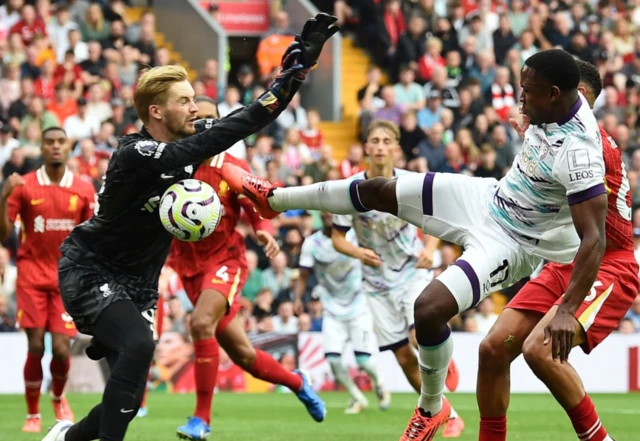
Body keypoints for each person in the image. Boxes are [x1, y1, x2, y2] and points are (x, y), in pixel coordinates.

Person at [221, 49, 609, 441]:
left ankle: (431, 407)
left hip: (514, 242)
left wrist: (567, 310)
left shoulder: (580, 153)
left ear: (555, 94)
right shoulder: (550, 107)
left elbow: (594, 238)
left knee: (428, 309)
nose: (520, 98)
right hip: (487, 198)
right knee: (378, 189)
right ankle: (275, 199)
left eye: (528, 92)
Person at [42, 13, 339, 441]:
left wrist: (294, 74)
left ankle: (66, 438)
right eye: (185, 101)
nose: (194, 108)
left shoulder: (188, 145)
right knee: (141, 347)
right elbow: (218, 135)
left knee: (127, 399)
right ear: (157, 111)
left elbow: (247, 119)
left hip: (139, 285)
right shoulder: (136, 153)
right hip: (91, 270)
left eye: (194, 99)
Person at [476, 59, 637, 441]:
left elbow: (594, 235)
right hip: (567, 259)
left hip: (607, 263)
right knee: (493, 348)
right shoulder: (554, 134)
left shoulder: (588, 146)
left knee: (540, 349)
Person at [168, 97, 326, 441]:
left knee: (199, 323)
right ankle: (298, 382)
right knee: (242, 354)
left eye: (213, 119)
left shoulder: (231, 166)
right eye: (199, 120)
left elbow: (257, 207)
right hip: (188, 266)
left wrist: (265, 234)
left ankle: (201, 419)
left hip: (225, 261)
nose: (206, 126)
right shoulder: (175, 164)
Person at [0, 127, 95, 433]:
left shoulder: (82, 188)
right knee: (36, 344)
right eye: (49, 142)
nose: (55, 147)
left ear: (68, 148)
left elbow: (91, 236)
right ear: (40, 148)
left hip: (66, 278)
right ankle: (31, 412)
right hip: (30, 275)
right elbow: (3, 234)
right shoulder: (24, 185)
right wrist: (4, 194)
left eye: (60, 142)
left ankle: (57, 396)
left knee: (62, 347)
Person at [295, 211, 390, 415]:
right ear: (320, 214)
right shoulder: (312, 244)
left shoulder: (354, 236)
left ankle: (379, 382)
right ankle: (357, 397)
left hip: (359, 305)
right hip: (331, 308)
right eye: (325, 211)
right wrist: (297, 299)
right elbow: (303, 275)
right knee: (333, 361)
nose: (329, 214)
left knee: (363, 361)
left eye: (333, 210)